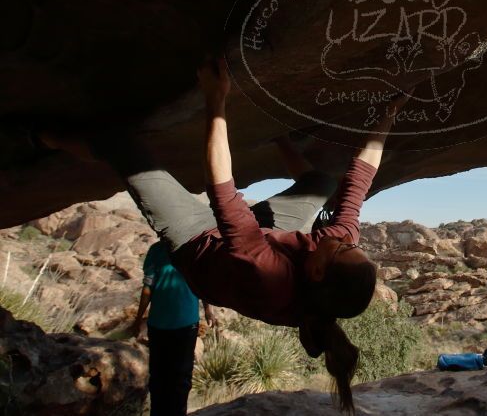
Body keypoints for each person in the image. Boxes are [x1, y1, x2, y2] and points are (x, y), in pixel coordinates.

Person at [42, 57, 407, 414]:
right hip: (260, 238)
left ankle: (50, 140)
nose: (341, 238)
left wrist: (216, 100)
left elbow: (223, 194)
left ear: (316, 271)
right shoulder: (337, 248)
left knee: (124, 149)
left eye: (339, 248)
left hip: (199, 246)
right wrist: (388, 116)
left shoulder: (269, 279)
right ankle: (279, 139)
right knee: (323, 182)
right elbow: (360, 178)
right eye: (348, 243)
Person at [130, 241, 216, 416]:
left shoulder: (156, 250)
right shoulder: (193, 249)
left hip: (159, 323)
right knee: (181, 377)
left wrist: (138, 319)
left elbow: (148, 289)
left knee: (159, 375)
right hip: (185, 324)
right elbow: (202, 284)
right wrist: (208, 311)